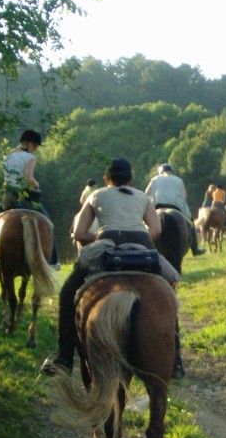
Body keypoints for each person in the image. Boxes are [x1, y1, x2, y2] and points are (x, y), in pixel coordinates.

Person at [46, 158, 186, 378]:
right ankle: (175, 359)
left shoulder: (96, 195)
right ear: (130, 180)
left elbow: (80, 233)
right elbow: (156, 229)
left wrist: (103, 237)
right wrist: (138, 239)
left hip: (106, 243)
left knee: (67, 293)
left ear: (106, 179)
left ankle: (64, 357)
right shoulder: (141, 196)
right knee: (169, 290)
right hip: (141, 243)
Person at [0, 129, 57, 271]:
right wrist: (36, 184)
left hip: (8, 199)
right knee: (49, 226)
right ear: (27, 143)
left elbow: (6, 177)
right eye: (34, 145)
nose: (35, 149)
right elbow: (29, 178)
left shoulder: (8, 156)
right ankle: (53, 262)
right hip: (26, 199)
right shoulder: (30, 158)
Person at [145, 163, 205, 256]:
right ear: (171, 171)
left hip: (158, 206)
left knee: (144, 223)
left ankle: (142, 245)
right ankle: (195, 248)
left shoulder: (155, 179)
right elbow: (184, 196)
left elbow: (147, 193)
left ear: (160, 172)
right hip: (175, 207)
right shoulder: (179, 180)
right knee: (191, 222)